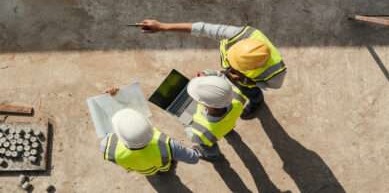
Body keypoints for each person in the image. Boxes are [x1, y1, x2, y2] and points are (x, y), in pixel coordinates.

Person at [137, 20, 287, 119]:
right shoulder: (238, 34)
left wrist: (248, 81)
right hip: (244, 78)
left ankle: (256, 102)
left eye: (233, 68)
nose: (228, 68)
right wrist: (162, 26)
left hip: (250, 83)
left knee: (251, 92)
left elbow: (272, 86)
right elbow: (201, 28)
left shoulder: (275, 74)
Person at [100, 88, 200, 176]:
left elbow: (109, 129)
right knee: (166, 170)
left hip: (143, 170)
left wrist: (112, 99)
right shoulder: (168, 144)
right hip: (164, 167)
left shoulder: (107, 147)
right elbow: (193, 158)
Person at [184, 75, 247, 160]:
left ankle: (213, 155)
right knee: (224, 127)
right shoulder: (238, 97)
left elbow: (193, 136)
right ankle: (228, 132)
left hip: (212, 134)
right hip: (227, 125)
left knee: (208, 145)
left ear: (209, 106)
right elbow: (223, 86)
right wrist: (210, 83)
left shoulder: (201, 132)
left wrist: (186, 126)